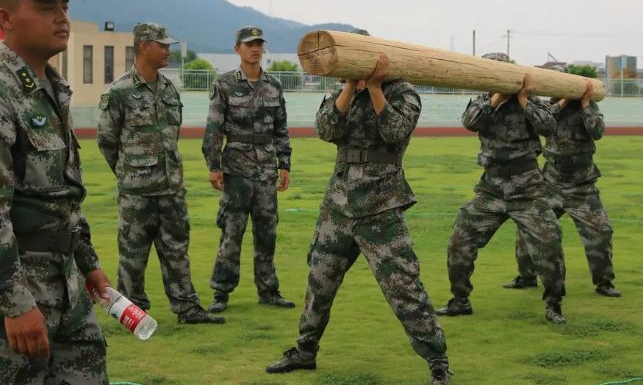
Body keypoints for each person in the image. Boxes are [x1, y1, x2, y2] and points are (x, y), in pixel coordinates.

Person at [267, 30, 451, 385]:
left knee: (403, 287)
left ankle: (437, 362)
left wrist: (377, 87)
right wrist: (350, 87)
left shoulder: (403, 91)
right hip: (337, 206)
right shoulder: (341, 92)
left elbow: (396, 131)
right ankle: (305, 350)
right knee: (319, 281)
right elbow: (325, 129)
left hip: (380, 207)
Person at [0, 0, 110, 383]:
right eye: (47, 8)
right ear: (5, 18)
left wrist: (88, 262)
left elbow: (62, 196)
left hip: (66, 285)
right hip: (20, 292)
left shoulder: (51, 87)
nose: (62, 17)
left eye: (65, 6)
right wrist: (15, 303)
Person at [97, 22, 223, 325]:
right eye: (161, 45)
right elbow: (106, 141)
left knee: (177, 250)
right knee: (133, 255)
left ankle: (187, 308)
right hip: (137, 193)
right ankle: (132, 313)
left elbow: (172, 134)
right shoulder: (119, 91)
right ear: (143, 46)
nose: (168, 50)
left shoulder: (168, 88)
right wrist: (130, 173)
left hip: (171, 189)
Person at [436, 53, 567, 324]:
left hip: (528, 191)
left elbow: (550, 126)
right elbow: (470, 122)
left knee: (550, 247)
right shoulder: (483, 102)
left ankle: (554, 305)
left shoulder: (532, 101)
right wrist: (497, 97)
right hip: (491, 190)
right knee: (459, 243)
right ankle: (460, 301)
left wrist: (523, 98)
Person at [505, 66, 620, 297]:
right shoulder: (546, 107)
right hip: (551, 182)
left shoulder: (588, 106)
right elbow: (543, 124)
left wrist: (585, 103)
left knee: (601, 232)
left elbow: (597, 131)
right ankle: (527, 276)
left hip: (583, 185)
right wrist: (563, 103)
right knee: (528, 229)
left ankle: (604, 282)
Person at [202, 26, 294, 313]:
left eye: (258, 44)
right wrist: (214, 165)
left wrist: (285, 163)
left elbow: (281, 128)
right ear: (237, 49)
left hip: (266, 169)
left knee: (267, 233)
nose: (255, 49)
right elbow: (214, 128)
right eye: (248, 44)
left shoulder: (274, 86)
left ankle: (268, 290)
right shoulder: (225, 84)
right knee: (232, 232)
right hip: (237, 169)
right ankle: (221, 293)